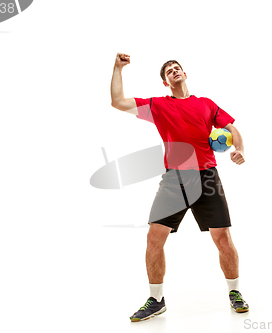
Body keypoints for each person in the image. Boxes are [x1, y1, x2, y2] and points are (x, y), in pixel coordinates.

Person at [110, 53, 249, 321]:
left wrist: (239, 149)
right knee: (154, 238)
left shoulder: (206, 104)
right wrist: (118, 68)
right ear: (165, 82)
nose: (175, 71)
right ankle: (156, 299)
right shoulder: (159, 106)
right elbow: (117, 101)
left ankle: (234, 292)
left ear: (185, 74)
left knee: (222, 238)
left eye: (178, 68)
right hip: (174, 181)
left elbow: (232, 128)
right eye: (169, 71)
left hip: (207, 178)